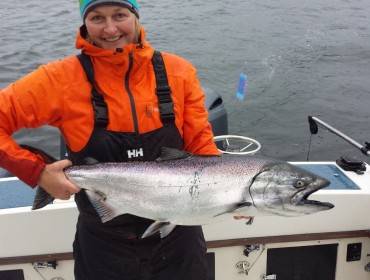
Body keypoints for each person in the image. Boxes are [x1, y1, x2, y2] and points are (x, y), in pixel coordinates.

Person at [0, 0, 221, 279]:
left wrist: (229, 195)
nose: (110, 28)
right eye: (97, 18)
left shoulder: (179, 72)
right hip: (104, 246)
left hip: (180, 237)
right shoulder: (58, 80)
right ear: (84, 24)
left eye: (120, 15)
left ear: (136, 16)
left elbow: (201, 144)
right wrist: (38, 171)